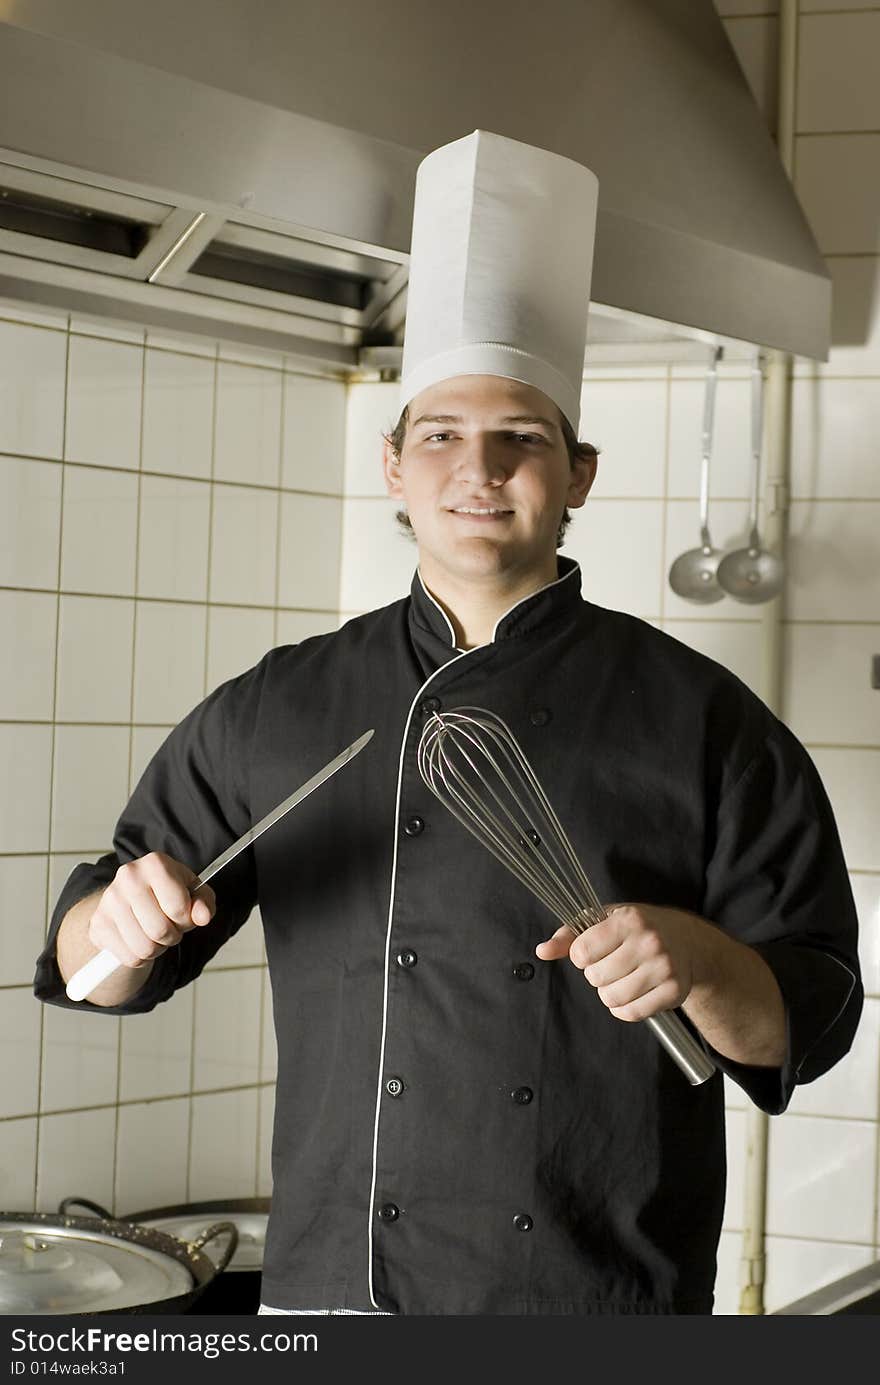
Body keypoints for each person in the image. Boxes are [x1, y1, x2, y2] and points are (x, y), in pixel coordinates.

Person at [34, 131, 862, 1316]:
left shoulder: (706, 721)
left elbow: (809, 1016)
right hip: (328, 1294)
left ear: (578, 473)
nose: (478, 469)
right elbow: (95, 974)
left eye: (520, 439)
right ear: (393, 465)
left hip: (598, 1298)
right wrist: (111, 922)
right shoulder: (279, 702)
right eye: (441, 436)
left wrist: (703, 958)